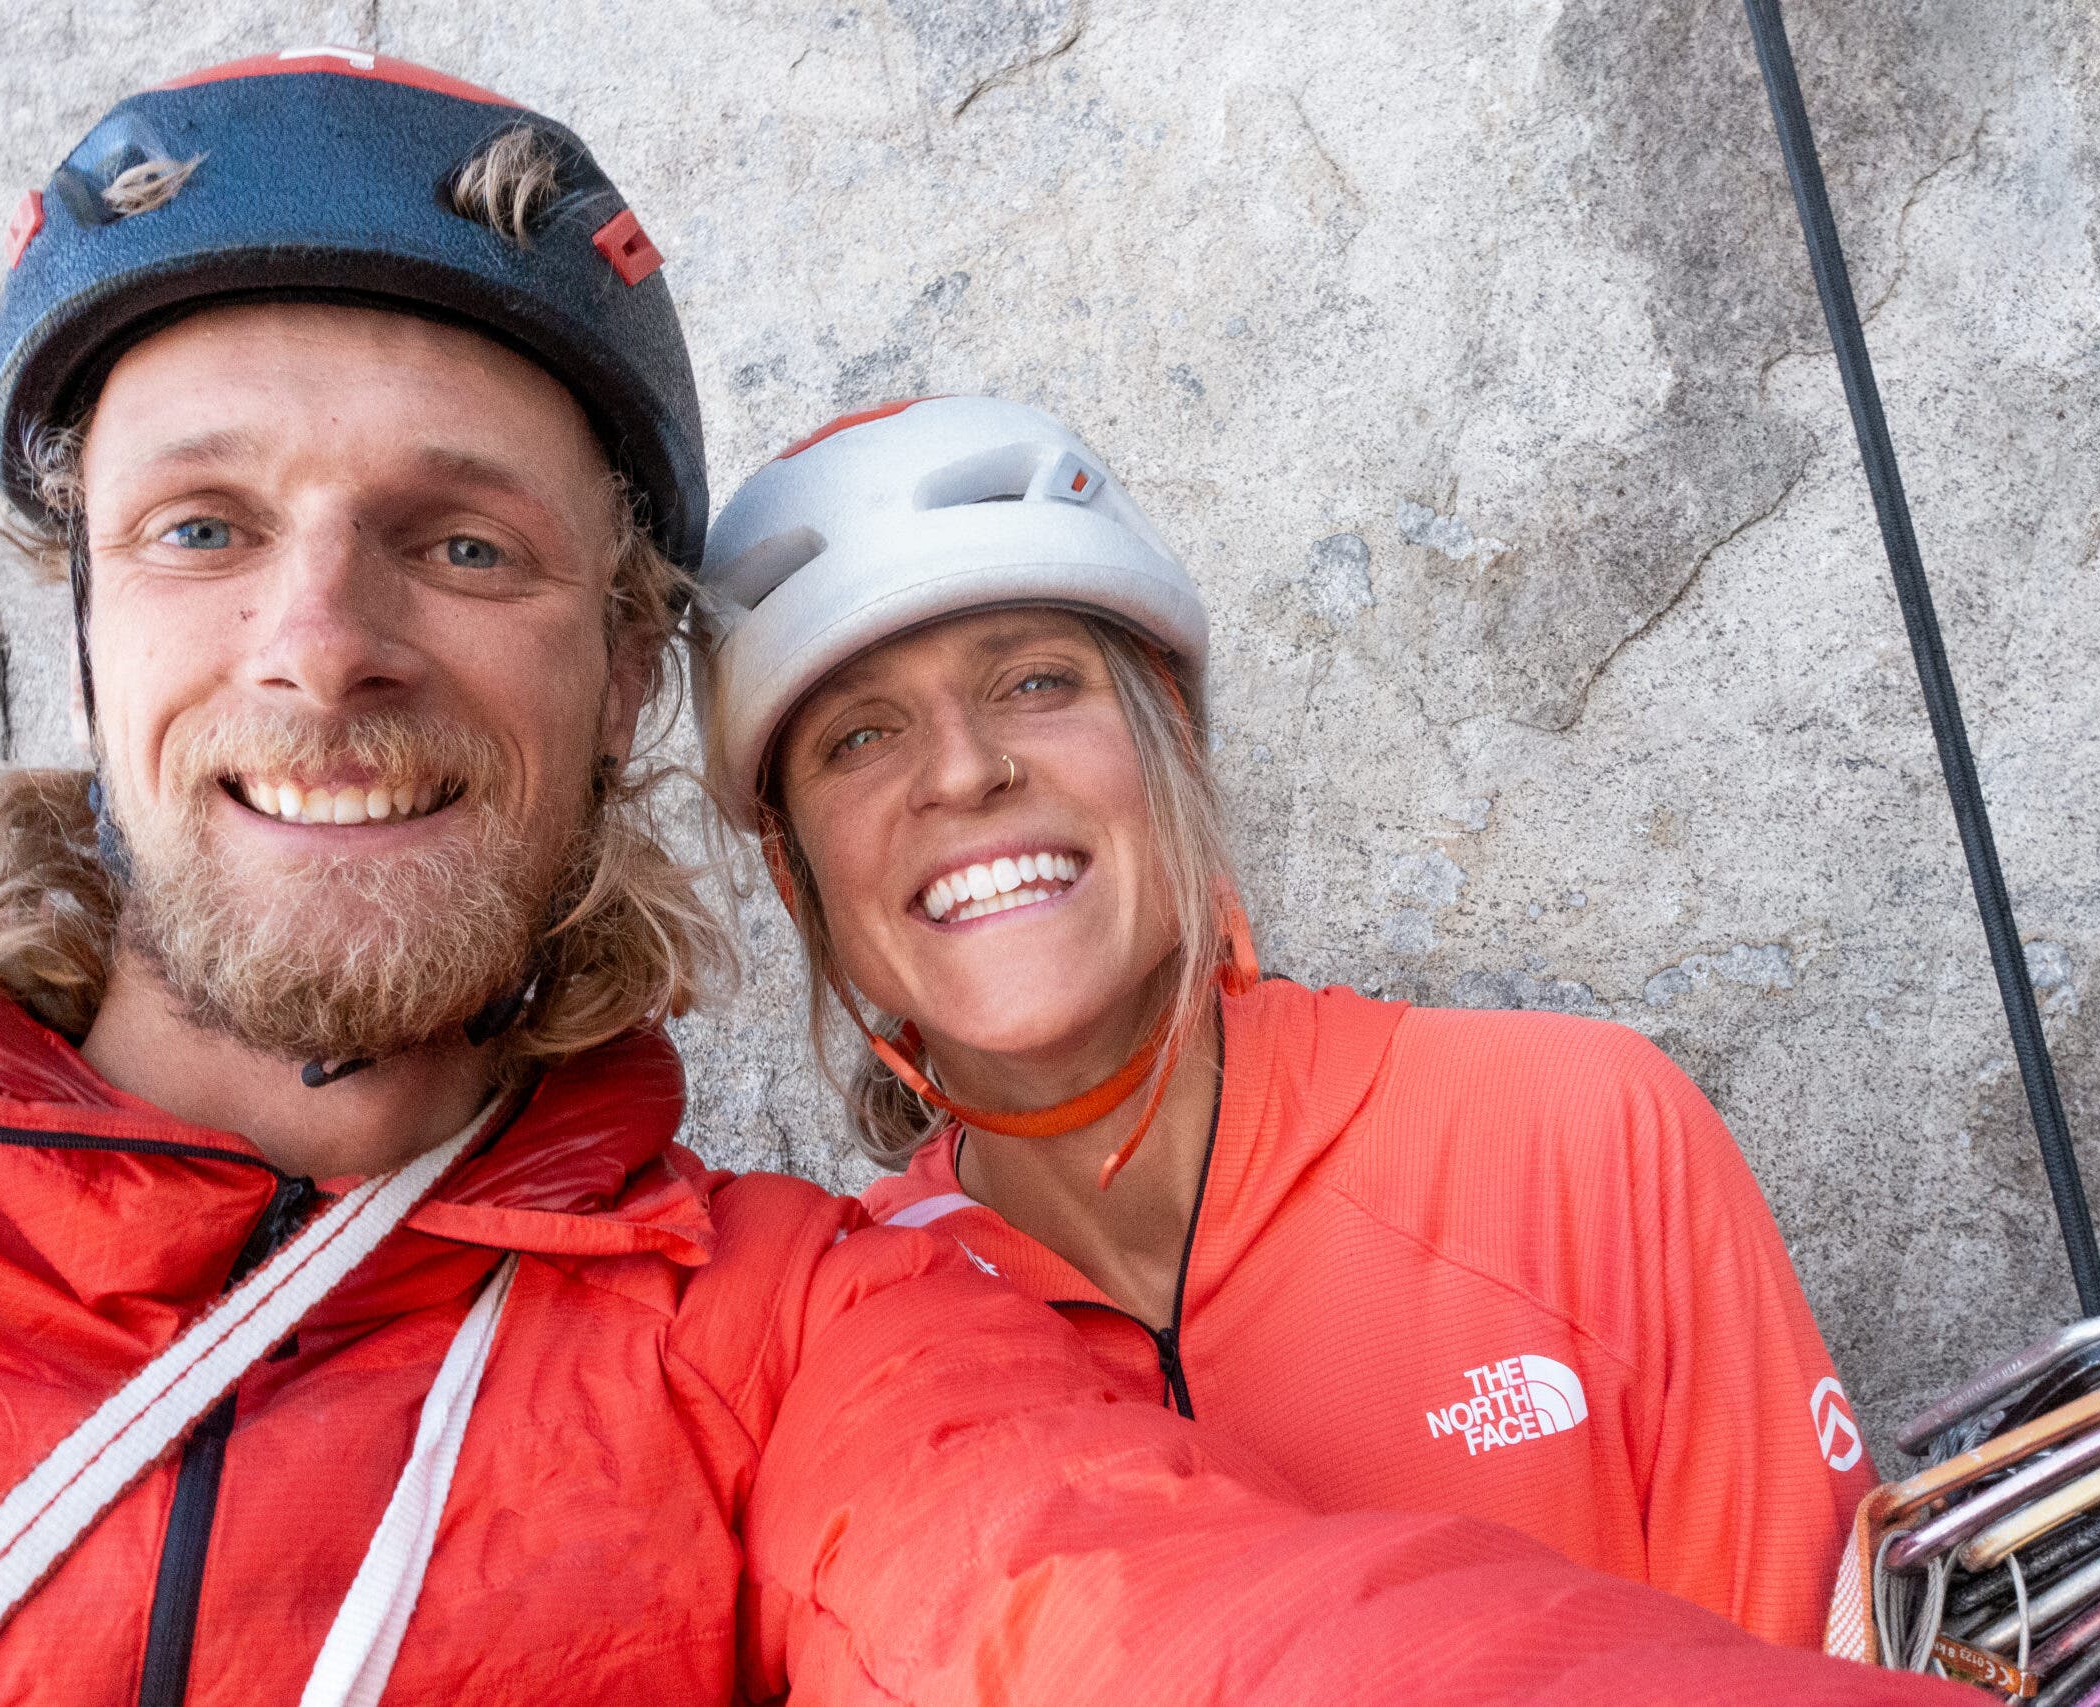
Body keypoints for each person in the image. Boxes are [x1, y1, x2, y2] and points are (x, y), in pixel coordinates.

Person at [0, 49, 1971, 1707]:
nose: (320, 642)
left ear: (615, 679)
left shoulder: (782, 1341)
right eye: (201, 523)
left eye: (462, 540)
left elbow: (1123, 1605)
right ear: (74, 610)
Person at [694, 393, 1880, 1652]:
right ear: (799, 880)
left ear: (1176, 753)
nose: (962, 770)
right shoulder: (859, 1340)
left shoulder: (1570, 1137)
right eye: (858, 736)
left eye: (1035, 681)